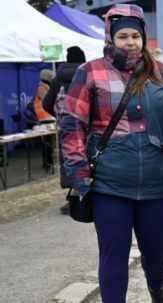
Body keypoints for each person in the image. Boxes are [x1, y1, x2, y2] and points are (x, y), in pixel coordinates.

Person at [60, 4, 163, 303]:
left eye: (135, 36)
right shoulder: (89, 71)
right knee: (113, 254)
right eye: (123, 36)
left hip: (157, 181)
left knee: (156, 253)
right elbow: (71, 126)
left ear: (143, 38)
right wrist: (79, 175)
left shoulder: (159, 70)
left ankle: (156, 289)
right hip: (109, 183)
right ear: (111, 38)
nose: (130, 42)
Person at [43, 46, 87, 214]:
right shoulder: (87, 75)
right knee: (87, 157)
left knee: (69, 158)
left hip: (66, 127)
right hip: (86, 126)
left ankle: (73, 198)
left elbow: (47, 103)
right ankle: (83, 196)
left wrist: (59, 117)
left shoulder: (57, 79)